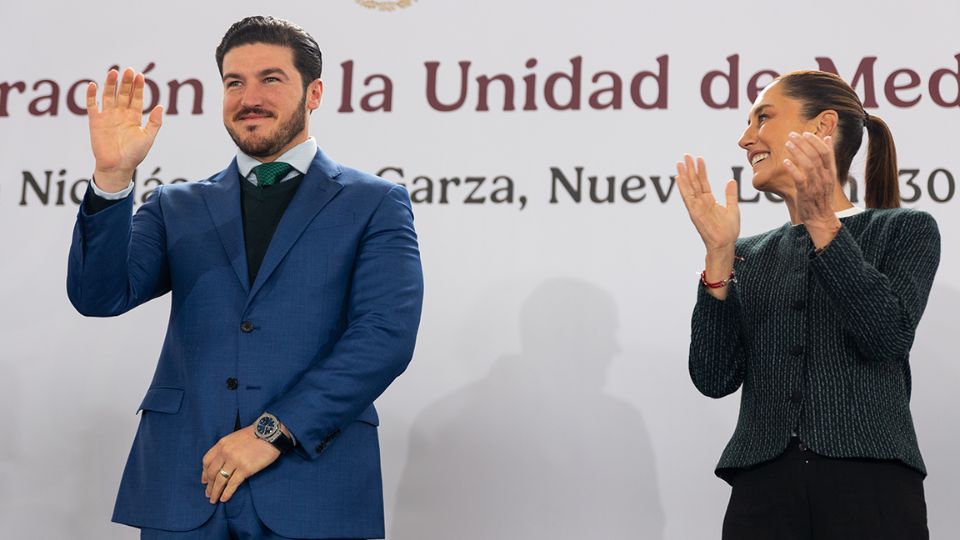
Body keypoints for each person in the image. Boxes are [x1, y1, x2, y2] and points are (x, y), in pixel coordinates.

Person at [67, 16, 423, 540]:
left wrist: (272, 432)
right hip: (186, 487)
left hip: (312, 485)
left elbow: (384, 338)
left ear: (314, 93)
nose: (249, 98)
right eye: (234, 82)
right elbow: (98, 296)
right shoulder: (175, 205)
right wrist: (114, 178)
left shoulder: (374, 203)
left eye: (270, 79)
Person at [676, 70, 940, 540]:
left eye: (763, 118)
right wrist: (718, 254)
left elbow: (887, 337)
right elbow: (713, 378)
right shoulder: (748, 254)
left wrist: (821, 220)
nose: (745, 139)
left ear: (823, 126)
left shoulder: (904, 230)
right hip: (762, 488)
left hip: (871, 484)